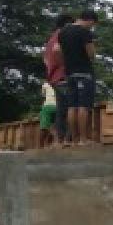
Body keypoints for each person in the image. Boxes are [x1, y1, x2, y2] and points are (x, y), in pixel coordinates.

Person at [55, 9, 99, 145]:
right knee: (83, 106)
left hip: (70, 73)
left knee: (71, 106)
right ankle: (83, 139)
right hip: (84, 72)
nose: (92, 27)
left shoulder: (63, 32)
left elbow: (57, 51)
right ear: (90, 20)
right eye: (92, 24)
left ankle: (74, 139)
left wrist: (65, 62)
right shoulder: (85, 32)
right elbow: (91, 54)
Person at [43, 14, 72, 143]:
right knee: (69, 108)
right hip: (62, 76)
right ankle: (67, 139)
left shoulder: (51, 38)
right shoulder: (62, 36)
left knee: (62, 109)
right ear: (66, 24)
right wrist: (65, 68)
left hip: (54, 77)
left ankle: (60, 139)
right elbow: (56, 51)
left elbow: (45, 59)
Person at [39, 81, 57, 147]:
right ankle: (54, 143)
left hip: (47, 106)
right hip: (58, 107)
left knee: (43, 128)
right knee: (54, 127)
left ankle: (41, 147)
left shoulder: (45, 84)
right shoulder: (61, 82)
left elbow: (43, 95)